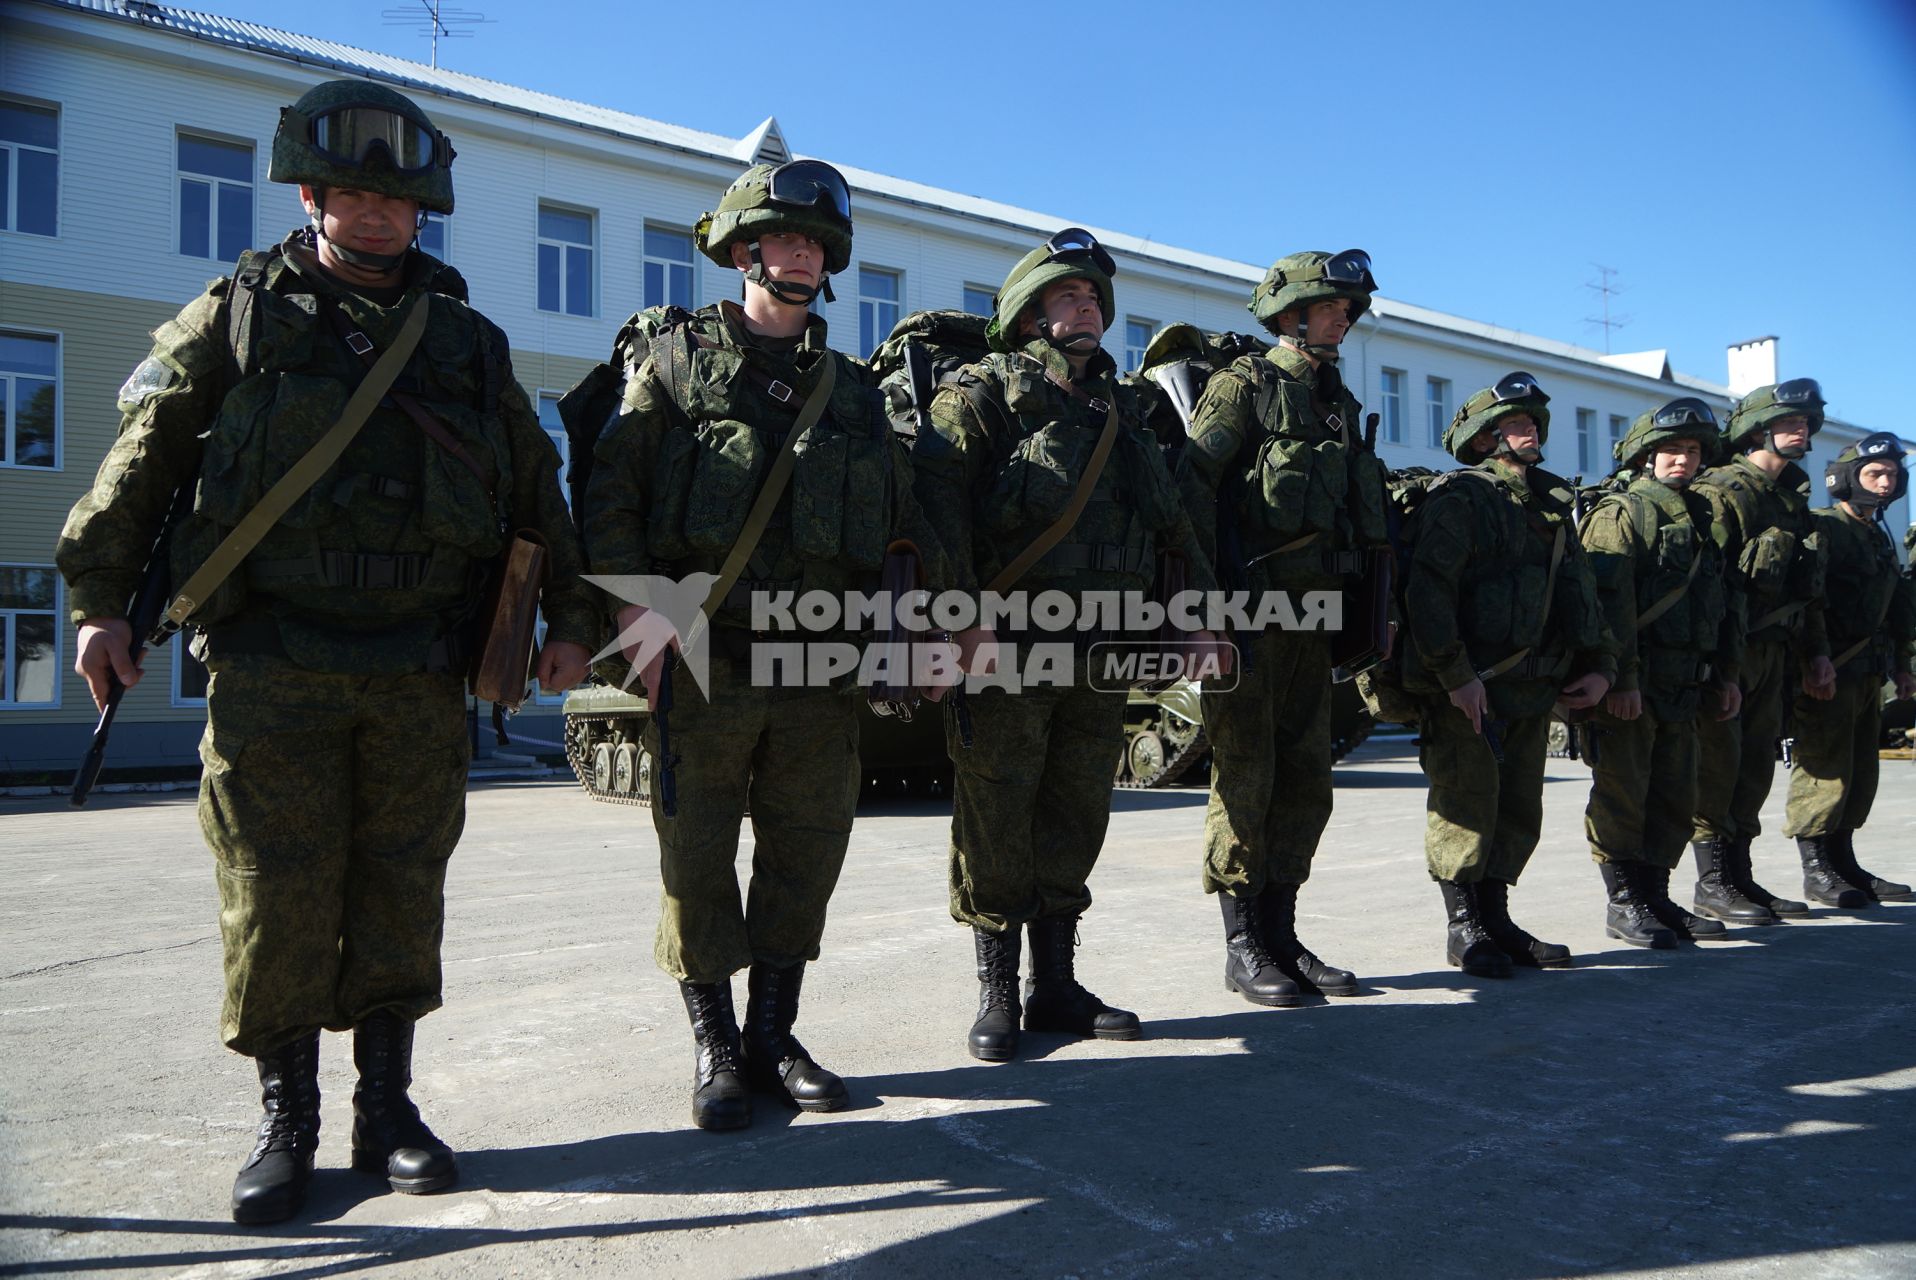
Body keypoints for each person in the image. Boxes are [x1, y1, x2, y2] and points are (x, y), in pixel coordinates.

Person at [55, 80, 595, 1224]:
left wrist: (571, 619)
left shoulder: (465, 340)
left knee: (402, 878)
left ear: (424, 208)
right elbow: (144, 455)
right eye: (351, 190)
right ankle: (287, 1115)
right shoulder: (239, 312)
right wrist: (102, 601)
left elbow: (537, 491)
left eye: (396, 196)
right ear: (310, 192)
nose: (375, 213)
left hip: (416, 659)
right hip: (273, 657)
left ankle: (386, 1105)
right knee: (277, 886)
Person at [583, 161, 951, 1127]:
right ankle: (714, 1045)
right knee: (694, 856)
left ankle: (772, 1033)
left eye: (816, 245)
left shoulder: (858, 394)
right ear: (744, 250)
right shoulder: (672, 362)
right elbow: (612, 494)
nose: (801, 255)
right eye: (784, 239)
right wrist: (634, 614)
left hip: (821, 666)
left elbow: (906, 528)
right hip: (705, 653)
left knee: (807, 850)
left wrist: (923, 626)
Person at [910, 228, 1220, 1060]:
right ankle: (997, 993)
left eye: (1093, 299)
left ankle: (1056, 987)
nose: (1085, 308)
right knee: (996, 813)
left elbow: (1171, 523)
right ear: (1026, 316)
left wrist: (1195, 615)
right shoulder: (981, 394)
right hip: (1004, 646)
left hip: (1102, 653)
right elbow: (934, 512)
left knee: (1077, 811)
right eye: (1066, 297)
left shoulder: (1123, 410)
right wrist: (959, 618)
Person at [1174, 250, 1388, 1006]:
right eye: (1330, 305)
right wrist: (1201, 613)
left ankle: (1283, 936)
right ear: (1289, 313)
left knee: (1305, 781)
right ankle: (1243, 946)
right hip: (1249, 614)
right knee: (1246, 777)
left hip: (1314, 620)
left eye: (1348, 308)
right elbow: (1191, 495)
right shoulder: (1245, 387)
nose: (1343, 317)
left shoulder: (1336, 399)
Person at [1401, 374, 1617, 976]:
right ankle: (1464, 928)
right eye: (1516, 424)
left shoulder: (1552, 507)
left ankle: (1496, 917)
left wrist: (1600, 667)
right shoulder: (1462, 499)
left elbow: (1582, 595)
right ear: (1484, 438)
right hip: (1472, 686)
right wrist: (1455, 674)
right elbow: (1431, 593)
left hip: (1533, 686)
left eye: (1532, 423)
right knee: (1467, 802)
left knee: (1518, 806)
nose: (1531, 432)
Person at [1580, 400, 1743, 948]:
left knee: (1675, 795)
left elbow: (1721, 604)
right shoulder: (1622, 512)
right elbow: (1607, 606)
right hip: (1638, 683)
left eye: (1693, 450)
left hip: (1685, 684)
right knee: (1624, 792)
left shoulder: (1702, 518)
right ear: (1647, 456)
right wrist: (1621, 679)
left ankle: (1656, 895)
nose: (1683, 459)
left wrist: (1725, 674)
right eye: (1671, 449)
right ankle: (1625, 902)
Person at [1687, 381, 1833, 924]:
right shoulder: (1724, 490)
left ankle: (1739, 876)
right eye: (1790, 422)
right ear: (1757, 429)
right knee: (1718, 767)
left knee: (1754, 767)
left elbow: (1807, 588)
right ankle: (1713, 882)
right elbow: (1713, 587)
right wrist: (1722, 667)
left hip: (1774, 649)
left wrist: (1815, 652)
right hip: (1734, 650)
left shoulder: (1789, 498)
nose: (1802, 431)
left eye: (1807, 424)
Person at [1782, 433, 1916, 904]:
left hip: (1868, 674)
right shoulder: (1826, 527)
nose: (1885, 483)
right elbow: (1811, 601)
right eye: (1875, 474)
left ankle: (1844, 862)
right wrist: (1815, 659)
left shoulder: (1876, 533)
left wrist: (1901, 666)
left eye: (1892, 476)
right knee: (1823, 768)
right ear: (1846, 479)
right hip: (1831, 671)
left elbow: (1894, 606)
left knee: (1860, 773)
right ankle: (1817, 869)